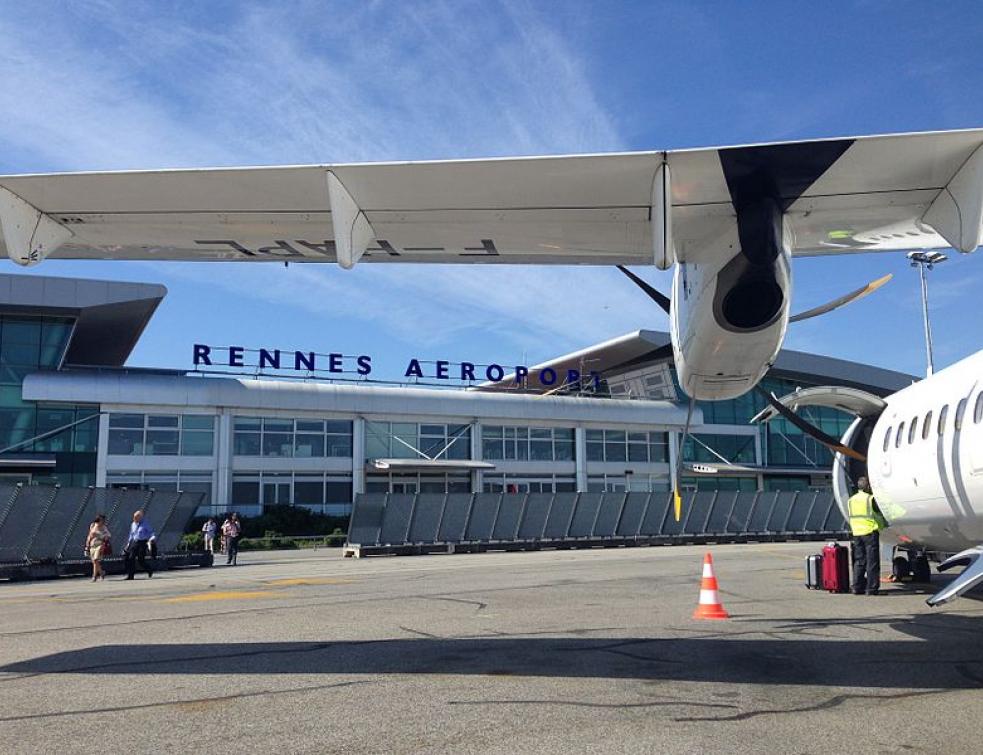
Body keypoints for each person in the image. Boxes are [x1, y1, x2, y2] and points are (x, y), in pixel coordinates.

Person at [848, 477, 889, 596]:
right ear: (868, 487)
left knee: (859, 561)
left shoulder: (851, 500)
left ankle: (857, 587)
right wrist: (884, 525)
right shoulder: (870, 499)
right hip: (869, 532)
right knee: (872, 561)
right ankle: (871, 588)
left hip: (856, 533)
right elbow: (877, 515)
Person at [124, 509, 156, 580]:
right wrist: (128, 544)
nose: (134, 518)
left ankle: (149, 569)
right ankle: (131, 575)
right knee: (131, 558)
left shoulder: (145, 524)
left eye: (136, 517)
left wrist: (152, 539)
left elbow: (151, 532)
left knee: (140, 560)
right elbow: (131, 534)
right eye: (134, 517)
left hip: (142, 543)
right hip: (134, 542)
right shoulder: (133, 524)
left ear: (140, 517)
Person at [85, 514, 111, 582]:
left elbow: (108, 536)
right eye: (102, 520)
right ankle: (101, 573)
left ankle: (94, 576)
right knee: (94, 561)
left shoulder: (104, 528)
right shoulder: (92, 525)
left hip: (100, 545)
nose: (103, 521)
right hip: (92, 545)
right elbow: (89, 536)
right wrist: (87, 545)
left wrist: (98, 535)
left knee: (96, 560)